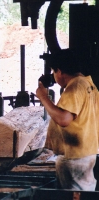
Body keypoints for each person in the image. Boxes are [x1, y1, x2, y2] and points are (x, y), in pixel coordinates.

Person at [36, 48, 99, 191]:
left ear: (59, 71)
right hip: (85, 152)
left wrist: (43, 98)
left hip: (74, 157)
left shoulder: (75, 87)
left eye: (53, 72)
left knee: (75, 196)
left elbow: (64, 119)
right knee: (84, 194)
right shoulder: (88, 84)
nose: (54, 76)